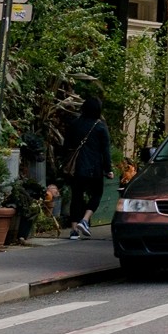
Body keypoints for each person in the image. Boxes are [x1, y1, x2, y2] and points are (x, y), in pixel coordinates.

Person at [64, 96, 113, 240]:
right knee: (97, 193)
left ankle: (74, 231)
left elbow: (67, 145)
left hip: (76, 167)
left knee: (76, 196)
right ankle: (85, 220)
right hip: (94, 167)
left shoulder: (75, 124)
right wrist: (108, 169)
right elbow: (105, 151)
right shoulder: (100, 126)